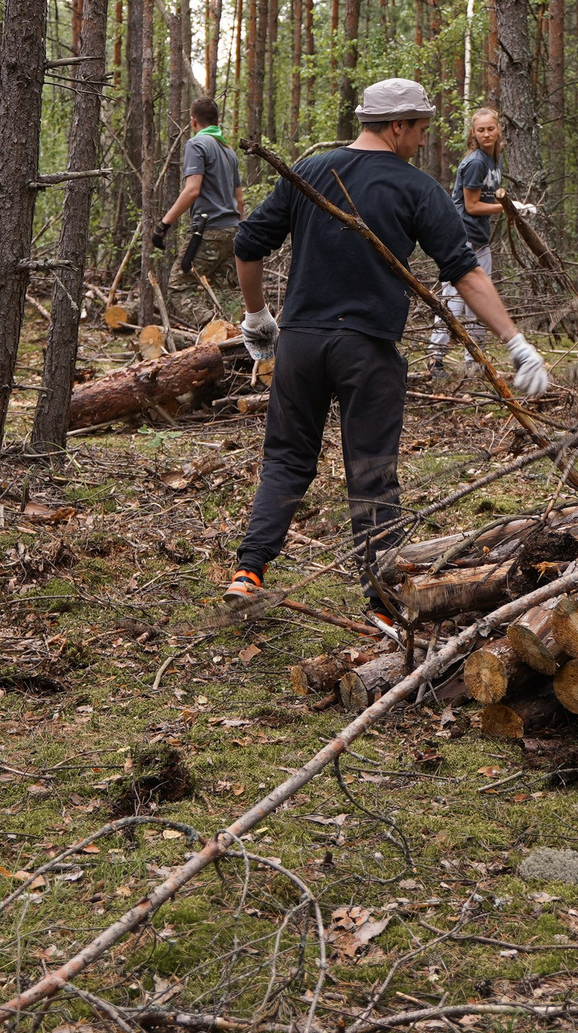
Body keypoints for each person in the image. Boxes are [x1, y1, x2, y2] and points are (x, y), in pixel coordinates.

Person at [223, 78, 553, 633]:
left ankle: (249, 569)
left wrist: (257, 316)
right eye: (420, 128)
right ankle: (381, 602)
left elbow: (247, 242)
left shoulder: (310, 171)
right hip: (367, 351)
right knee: (372, 474)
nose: (423, 140)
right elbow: (466, 271)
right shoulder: (415, 188)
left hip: (301, 343)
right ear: (397, 125)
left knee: (285, 459)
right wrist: (515, 342)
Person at [427, 107, 508, 368]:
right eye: (481, 130)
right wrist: (510, 207)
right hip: (461, 239)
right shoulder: (475, 162)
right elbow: (472, 206)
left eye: (490, 129)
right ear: (473, 133)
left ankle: (475, 363)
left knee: (481, 300)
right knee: (453, 301)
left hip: (480, 239)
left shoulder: (494, 158)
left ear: (498, 130)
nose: (486, 134)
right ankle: (435, 359)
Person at [153, 98, 243, 292]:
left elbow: (192, 190)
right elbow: (240, 201)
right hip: (232, 233)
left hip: (209, 230)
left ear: (193, 121)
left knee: (178, 288)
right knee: (220, 293)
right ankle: (220, 323)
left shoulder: (197, 144)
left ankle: (206, 322)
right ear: (217, 122)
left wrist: (163, 225)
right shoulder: (230, 152)